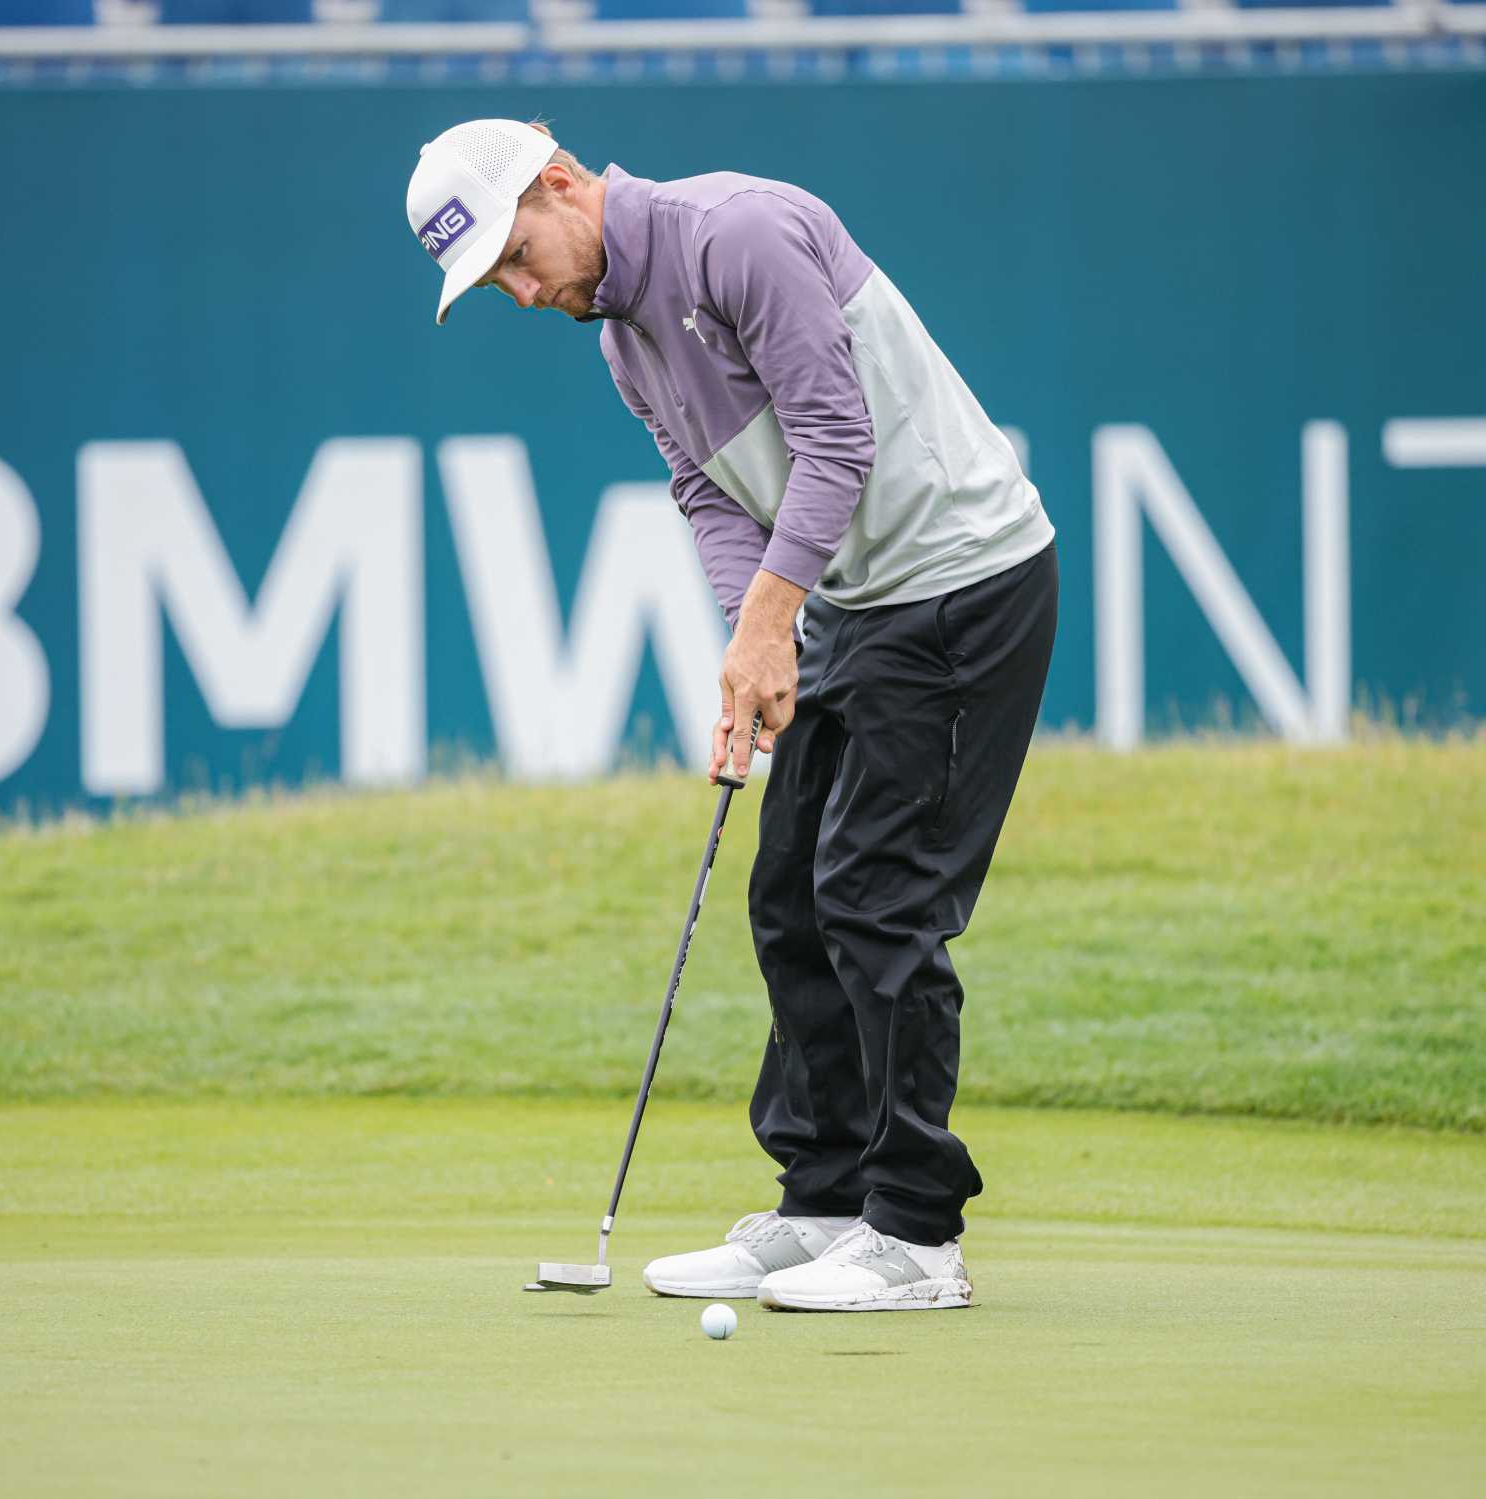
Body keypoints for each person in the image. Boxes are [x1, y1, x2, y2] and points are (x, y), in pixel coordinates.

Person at [407, 118, 1057, 1312]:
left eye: (513, 252)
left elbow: (835, 438)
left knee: (878, 893)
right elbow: (709, 494)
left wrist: (772, 620)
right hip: (854, 599)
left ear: (561, 182)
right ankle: (823, 1200)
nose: (517, 288)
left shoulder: (736, 234)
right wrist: (753, 642)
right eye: (491, 276)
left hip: (963, 580)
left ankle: (915, 1231)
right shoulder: (623, 341)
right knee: (790, 889)